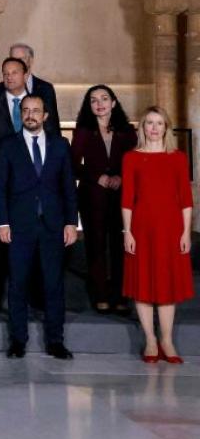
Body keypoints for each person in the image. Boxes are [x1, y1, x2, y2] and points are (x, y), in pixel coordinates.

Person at [0, 94, 77, 360]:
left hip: (53, 225)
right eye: (26, 110)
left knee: (53, 284)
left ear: (45, 116)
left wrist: (71, 222)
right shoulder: (8, 145)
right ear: (21, 114)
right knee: (18, 284)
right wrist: (2, 222)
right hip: (19, 225)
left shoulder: (61, 145)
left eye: (36, 110)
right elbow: (0, 187)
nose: (30, 115)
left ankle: (56, 341)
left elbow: (68, 186)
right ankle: (18, 341)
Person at [122, 107, 193, 364]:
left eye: (159, 123)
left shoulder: (178, 158)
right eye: (149, 123)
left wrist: (186, 232)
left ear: (166, 128)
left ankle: (167, 340)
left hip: (171, 229)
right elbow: (127, 199)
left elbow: (186, 200)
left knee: (167, 285)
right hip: (141, 228)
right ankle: (151, 340)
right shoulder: (131, 158)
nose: (154, 128)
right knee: (142, 284)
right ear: (142, 127)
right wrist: (128, 232)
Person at [71, 85, 137, 314]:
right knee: (96, 245)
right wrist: (96, 176)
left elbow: (136, 162)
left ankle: (121, 296)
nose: (99, 104)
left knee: (120, 246)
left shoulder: (127, 131)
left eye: (104, 98)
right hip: (92, 196)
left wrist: (122, 177)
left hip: (121, 196)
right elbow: (72, 164)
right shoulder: (83, 131)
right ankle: (100, 294)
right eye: (93, 100)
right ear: (89, 106)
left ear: (113, 103)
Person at [0, 56, 33, 312]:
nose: (9, 77)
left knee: (31, 243)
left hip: (32, 187)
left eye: (14, 72)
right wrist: (7, 168)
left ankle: (32, 298)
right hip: (0, 183)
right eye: (6, 73)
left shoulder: (37, 103)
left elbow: (51, 136)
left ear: (25, 75)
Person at [0, 43, 61, 138]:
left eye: (21, 59)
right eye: (13, 59)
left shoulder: (45, 88)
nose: (16, 63)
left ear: (30, 60)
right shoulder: (0, 88)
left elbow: (52, 124)